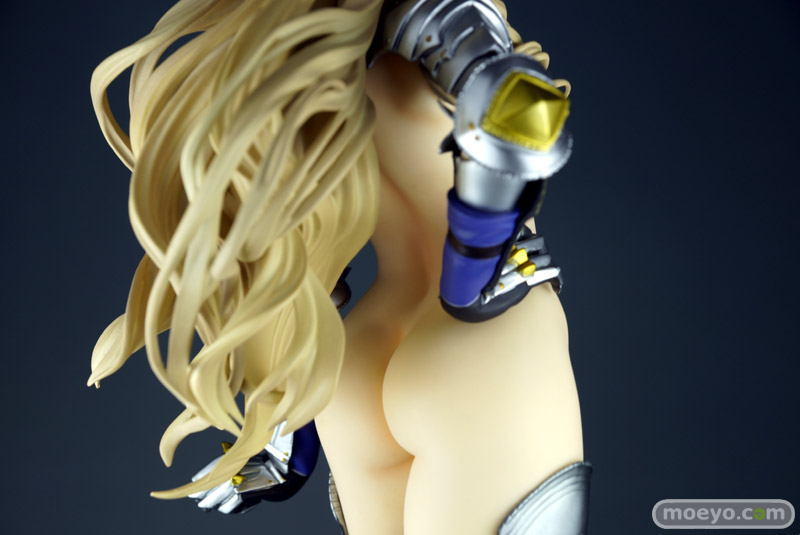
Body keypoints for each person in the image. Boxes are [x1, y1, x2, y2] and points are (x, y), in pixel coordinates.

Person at [88, 0, 588, 533]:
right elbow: (517, 117)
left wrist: (284, 428)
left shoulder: (309, 47)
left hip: (358, 360)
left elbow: (290, 237)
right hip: (485, 337)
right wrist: (471, 272)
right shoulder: (440, 16)